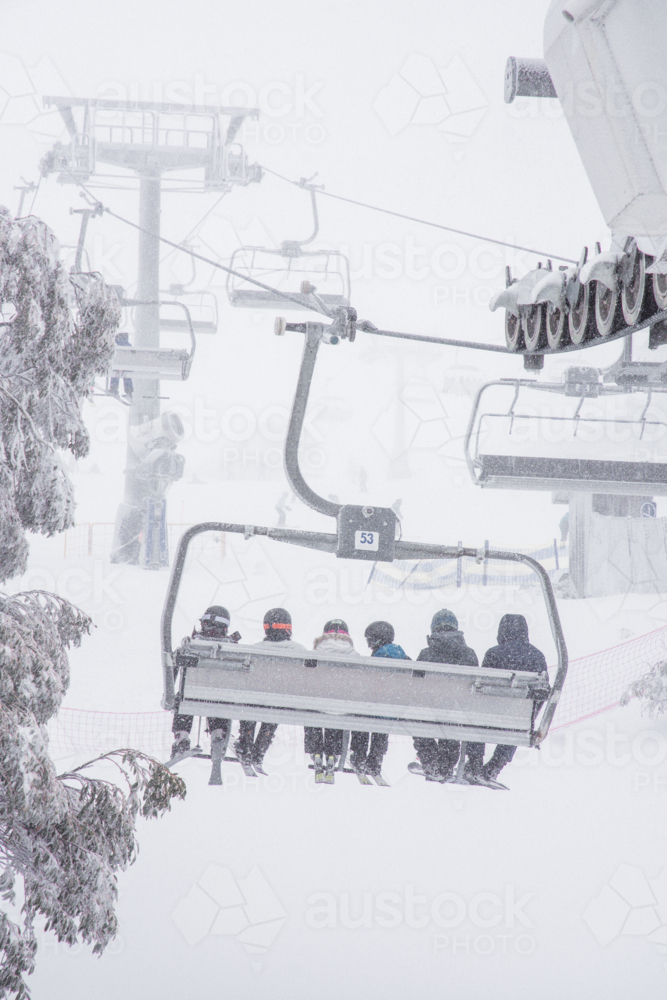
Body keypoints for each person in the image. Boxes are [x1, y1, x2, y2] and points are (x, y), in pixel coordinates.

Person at [464, 614, 549, 788]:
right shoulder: (538, 656)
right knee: (518, 718)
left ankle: (474, 763)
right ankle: (495, 766)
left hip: (488, 717)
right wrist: (531, 715)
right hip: (518, 720)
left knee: (477, 715)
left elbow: (481, 689)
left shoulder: (493, 653)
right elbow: (542, 692)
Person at [234, 608, 308, 770]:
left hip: (254, 700)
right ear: (288, 628)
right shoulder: (299, 651)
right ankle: (259, 751)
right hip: (281, 702)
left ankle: (245, 746)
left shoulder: (254, 649)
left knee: (250, 701)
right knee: (277, 703)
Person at [412, 609, 478, 781]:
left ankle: (431, 761)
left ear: (434, 629)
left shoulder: (426, 654)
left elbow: (415, 685)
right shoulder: (469, 654)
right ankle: (445, 765)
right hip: (458, 713)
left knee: (418, 720)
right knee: (452, 722)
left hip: (429, 711)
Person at [171, 606, 239, 758]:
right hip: (220, 698)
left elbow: (173, 665)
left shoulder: (191, 645)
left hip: (190, 696)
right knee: (220, 698)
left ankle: (182, 735)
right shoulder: (232, 649)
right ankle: (218, 733)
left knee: (183, 696)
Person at [352, 621, 410, 776]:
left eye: (369, 641)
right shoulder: (404, 658)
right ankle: (375, 760)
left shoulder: (375, 660)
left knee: (361, 715)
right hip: (393, 711)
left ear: (376, 640)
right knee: (383, 719)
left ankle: (359, 756)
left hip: (372, 709)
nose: (369, 645)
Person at [304, 619, 354, 777]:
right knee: (338, 708)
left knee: (314, 706)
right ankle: (332, 752)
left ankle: (315, 749)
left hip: (318, 706)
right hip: (340, 708)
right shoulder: (355, 655)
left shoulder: (315, 653)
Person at [109, 332, 134, 400]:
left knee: (115, 374)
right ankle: (128, 390)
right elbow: (132, 357)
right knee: (127, 376)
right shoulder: (129, 345)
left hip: (116, 366)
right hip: (126, 367)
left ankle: (113, 388)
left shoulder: (115, 345)